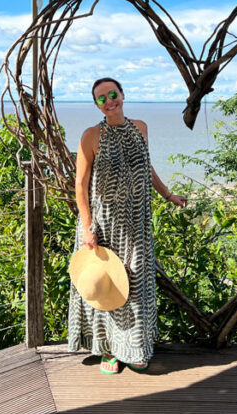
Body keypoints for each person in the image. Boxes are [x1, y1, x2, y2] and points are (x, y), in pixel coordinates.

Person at [67, 76, 187, 374]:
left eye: (112, 94)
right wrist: (86, 227)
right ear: (96, 104)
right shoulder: (90, 136)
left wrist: (168, 194)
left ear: (122, 94)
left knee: (135, 288)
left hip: (137, 224)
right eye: (100, 99)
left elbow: (145, 166)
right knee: (108, 287)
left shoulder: (141, 128)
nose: (108, 102)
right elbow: (80, 186)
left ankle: (133, 348)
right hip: (104, 228)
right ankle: (109, 350)